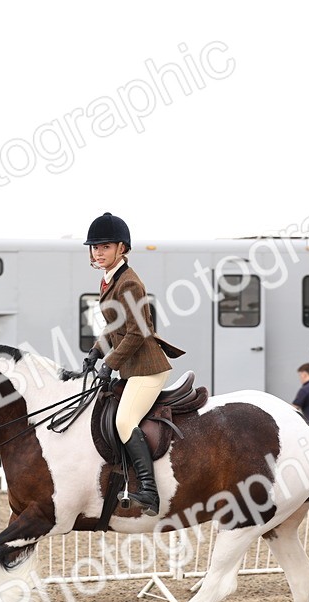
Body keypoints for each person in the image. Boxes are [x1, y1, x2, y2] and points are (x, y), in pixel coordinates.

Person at [79, 212, 185, 516]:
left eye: (104, 247)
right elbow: (116, 326)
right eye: (95, 248)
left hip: (147, 368)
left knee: (124, 421)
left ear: (122, 248)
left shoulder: (129, 283)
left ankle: (149, 492)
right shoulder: (109, 280)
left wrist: (110, 362)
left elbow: (137, 331)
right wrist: (95, 352)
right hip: (132, 366)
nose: (98, 253)